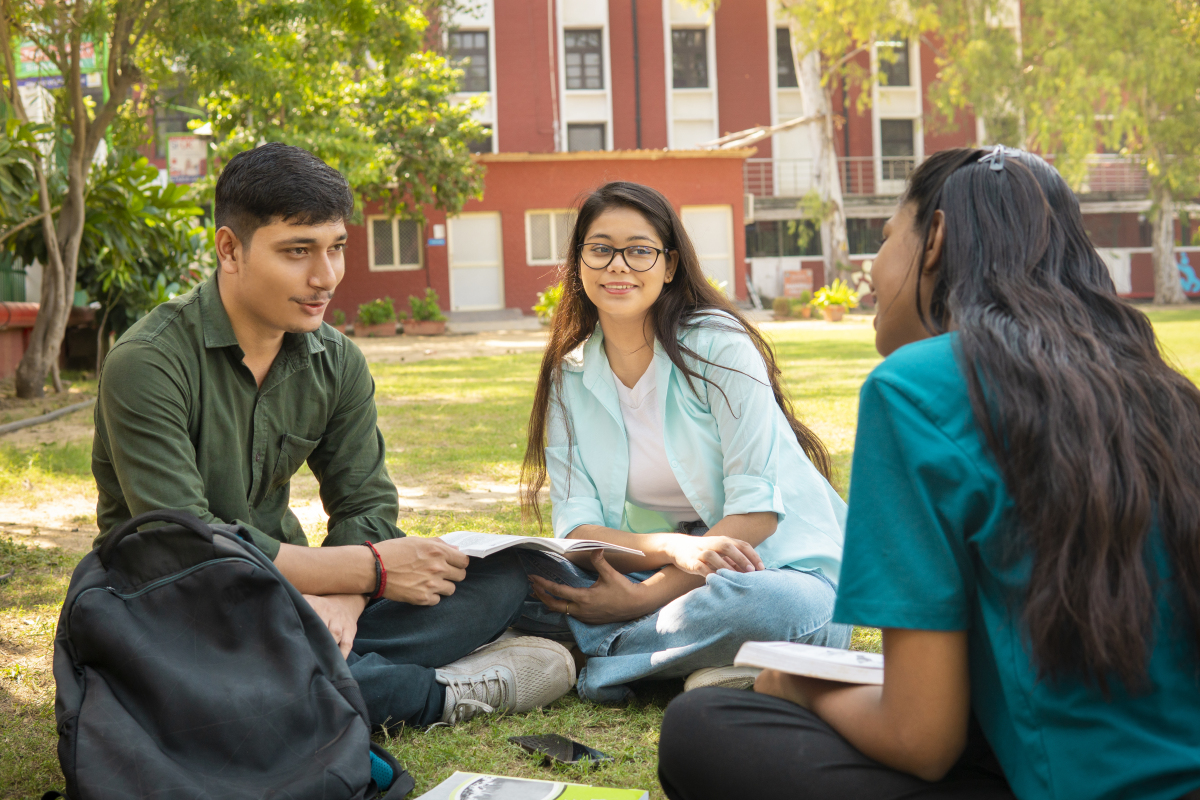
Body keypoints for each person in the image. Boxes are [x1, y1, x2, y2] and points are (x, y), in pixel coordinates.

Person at [657, 148, 1200, 800]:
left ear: (935, 239)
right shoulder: (1163, 389)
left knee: (703, 725)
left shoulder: (914, 388)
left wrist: (801, 686)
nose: (871, 269)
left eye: (885, 239)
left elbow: (921, 740)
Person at [92, 143, 574, 730]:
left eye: (336, 248)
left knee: (503, 575)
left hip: (304, 593)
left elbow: (367, 503)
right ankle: (437, 692)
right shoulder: (148, 362)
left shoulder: (335, 359)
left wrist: (344, 600)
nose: (325, 278)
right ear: (229, 249)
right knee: (211, 672)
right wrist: (369, 572)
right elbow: (186, 546)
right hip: (180, 603)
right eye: (298, 252)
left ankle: (331, 655)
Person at [517, 181, 849, 704]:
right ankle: (703, 662)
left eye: (640, 250)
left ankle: (589, 660)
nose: (617, 266)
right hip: (657, 562)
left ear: (669, 265)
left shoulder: (719, 346)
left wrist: (640, 600)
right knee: (510, 575)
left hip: (776, 569)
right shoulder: (570, 373)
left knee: (770, 609)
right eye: (600, 249)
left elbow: (756, 517)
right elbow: (578, 528)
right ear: (579, 262)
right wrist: (673, 549)